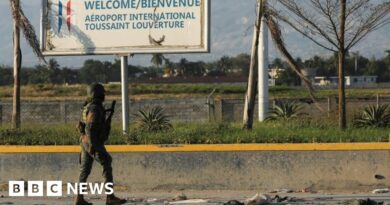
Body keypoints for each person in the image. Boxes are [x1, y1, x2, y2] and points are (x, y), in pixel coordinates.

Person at [74, 83, 126, 205]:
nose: (104, 95)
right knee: (107, 162)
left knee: (85, 170)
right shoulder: (95, 108)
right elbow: (90, 128)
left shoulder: (89, 106)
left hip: (85, 141)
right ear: (97, 94)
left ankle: (79, 199)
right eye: (102, 93)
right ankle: (110, 197)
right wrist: (93, 146)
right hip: (92, 142)